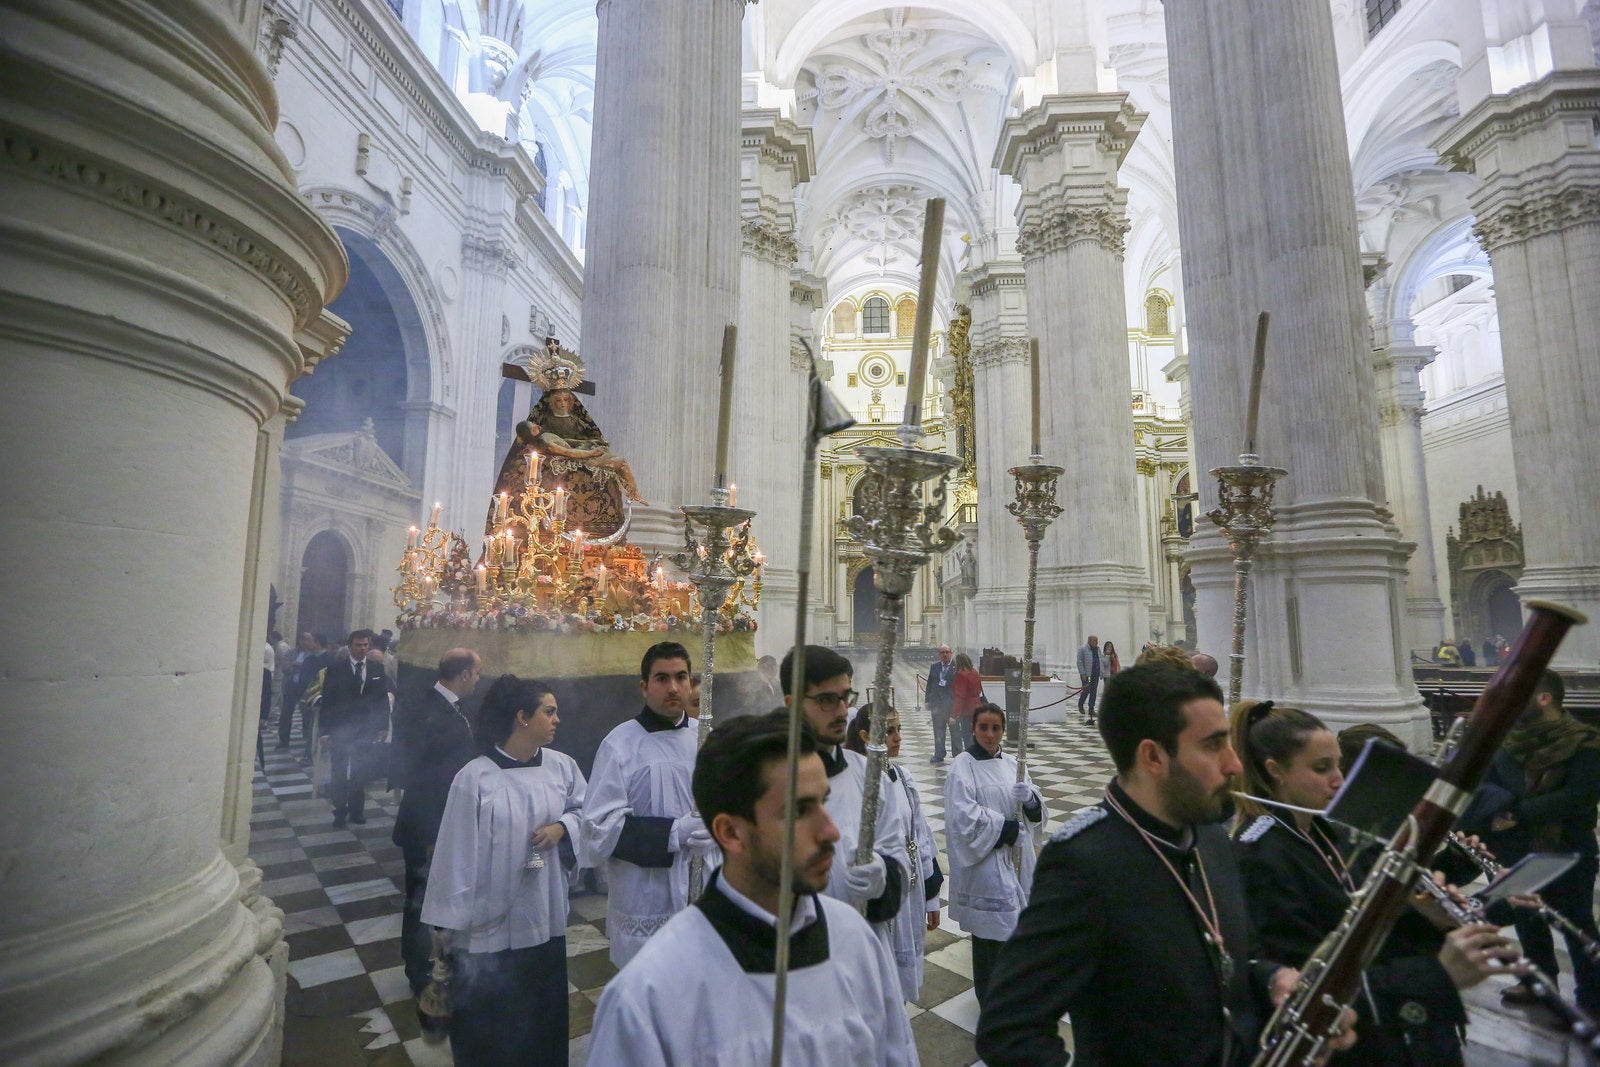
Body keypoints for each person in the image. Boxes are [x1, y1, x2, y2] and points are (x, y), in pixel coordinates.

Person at [975, 663, 1354, 1066]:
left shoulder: (1209, 835)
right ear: (1153, 756)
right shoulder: (1085, 864)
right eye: (1212, 746)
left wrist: (1274, 980)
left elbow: (1233, 955)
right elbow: (1009, 1030)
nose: (1235, 765)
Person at [586, 712, 918, 1065]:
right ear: (730, 833)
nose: (831, 832)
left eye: (823, 802)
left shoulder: (854, 938)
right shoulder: (650, 995)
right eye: (799, 811)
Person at [1231, 700, 1512, 1065]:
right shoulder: (1261, 857)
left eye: (1339, 766)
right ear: (1276, 771)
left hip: (1395, 1029)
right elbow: (1308, 986)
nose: (1339, 780)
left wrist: (1425, 915)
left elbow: (1366, 924)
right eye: (1321, 768)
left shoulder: (1329, 830)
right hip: (1351, 1044)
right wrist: (1437, 972)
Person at [422, 674, 586, 1066]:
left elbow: (586, 812)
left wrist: (563, 828)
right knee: (489, 1031)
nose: (556, 719)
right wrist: (446, 929)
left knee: (539, 1022)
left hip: (542, 918)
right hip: (486, 932)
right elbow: (454, 856)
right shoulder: (476, 777)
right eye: (549, 711)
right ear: (522, 717)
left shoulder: (562, 767)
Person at [582, 641, 717, 966]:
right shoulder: (621, 744)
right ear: (644, 687)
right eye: (661, 678)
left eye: (681, 677)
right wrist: (673, 833)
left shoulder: (708, 737)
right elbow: (599, 829)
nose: (673, 687)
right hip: (647, 897)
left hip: (706, 887)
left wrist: (718, 827)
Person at [1474, 668, 1600, 1013]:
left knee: (1576, 925)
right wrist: (1493, 811)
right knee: (1528, 922)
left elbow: (1579, 797)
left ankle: (1593, 996)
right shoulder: (1505, 740)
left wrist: (1515, 815)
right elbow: (1485, 784)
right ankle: (1538, 984)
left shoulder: (1586, 742)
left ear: (1544, 698)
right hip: (1513, 848)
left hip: (1568, 848)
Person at [782, 646, 907, 944]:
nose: (842, 711)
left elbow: (895, 856)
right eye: (826, 700)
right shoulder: (771, 778)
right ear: (792, 704)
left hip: (861, 943)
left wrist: (883, 878)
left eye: (845, 697)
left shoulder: (870, 776)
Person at [391, 648, 482, 1008]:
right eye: (476, 674)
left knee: (440, 897)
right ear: (462, 675)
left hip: (442, 823)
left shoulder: (447, 707)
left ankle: (443, 964)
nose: (477, 680)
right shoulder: (431, 711)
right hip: (427, 825)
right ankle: (417, 972)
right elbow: (425, 776)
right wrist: (431, 835)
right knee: (420, 901)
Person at [945, 702, 1047, 1010]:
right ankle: (989, 996)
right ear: (973, 729)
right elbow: (962, 817)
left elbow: (1035, 810)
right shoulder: (963, 766)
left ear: (1003, 730)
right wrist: (1005, 828)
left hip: (1018, 859)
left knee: (1018, 927)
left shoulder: (1013, 763)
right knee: (990, 933)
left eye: (996, 728)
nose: (990, 735)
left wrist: (1030, 800)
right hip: (986, 863)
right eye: (984, 728)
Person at [847, 703, 944, 1002]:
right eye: (889, 731)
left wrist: (930, 895)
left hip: (909, 890)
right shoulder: (855, 785)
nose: (897, 737)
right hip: (880, 894)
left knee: (901, 984)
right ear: (865, 736)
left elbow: (920, 834)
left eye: (898, 729)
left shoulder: (901, 777)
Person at [318, 628, 391, 827]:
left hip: (365, 729)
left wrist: (383, 726)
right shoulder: (335, 669)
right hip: (341, 728)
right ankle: (340, 811)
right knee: (339, 770)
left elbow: (382, 700)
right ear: (350, 647)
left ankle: (357, 811)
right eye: (358, 645)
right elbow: (328, 702)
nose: (362, 649)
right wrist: (324, 731)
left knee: (361, 769)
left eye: (365, 645)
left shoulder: (376, 669)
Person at [925, 645, 957, 763]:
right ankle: (939, 754)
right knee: (938, 731)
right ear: (939, 654)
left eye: (947, 652)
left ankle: (957, 754)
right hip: (937, 705)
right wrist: (927, 700)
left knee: (955, 732)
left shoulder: (956, 667)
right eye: (942, 652)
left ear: (951, 653)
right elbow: (930, 684)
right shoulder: (934, 667)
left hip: (951, 705)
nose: (945, 654)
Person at [950, 652, 982, 756]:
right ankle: (977, 753)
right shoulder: (975, 672)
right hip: (977, 706)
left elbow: (960, 697)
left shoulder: (961, 675)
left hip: (967, 709)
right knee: (975, 733)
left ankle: (971, 756)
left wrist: (953, 716)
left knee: (967, 734)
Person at [1075, 634, 1102, 724]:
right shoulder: (1082, 649)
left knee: (1094, 691)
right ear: (1090, 641)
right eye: (1095, 641)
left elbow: (1100, 660)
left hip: (1095, 674)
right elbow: (1079, 661)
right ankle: (1081, 704)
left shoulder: (1098, 649)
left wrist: (1101, 671)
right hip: (1088, 675)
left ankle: (1091, 708)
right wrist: (1082, 673)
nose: (1097, 642)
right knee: (1087, 689)